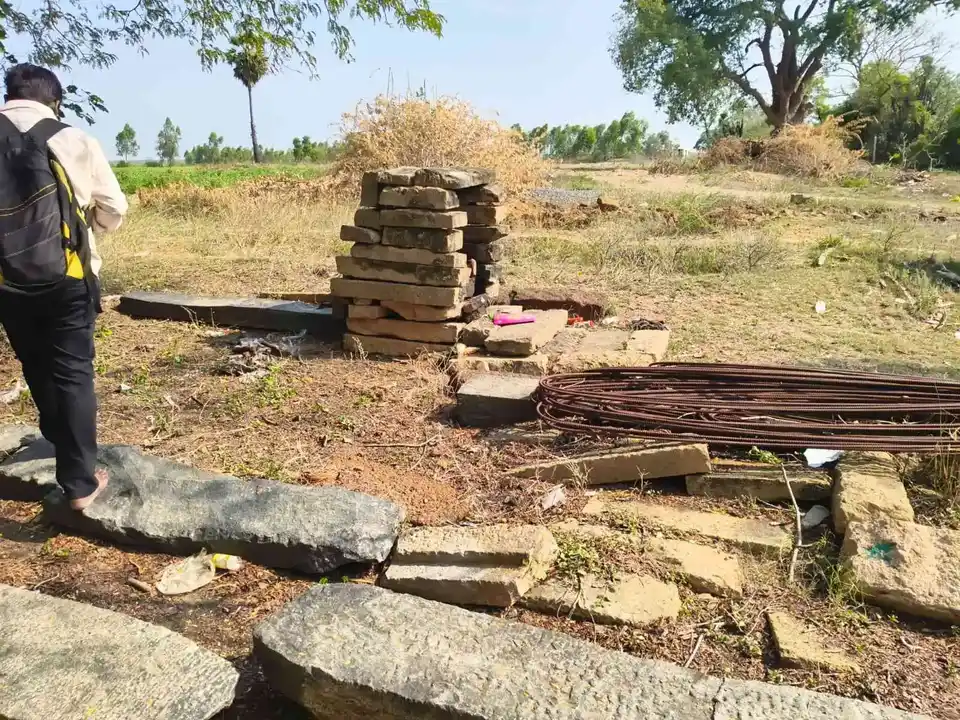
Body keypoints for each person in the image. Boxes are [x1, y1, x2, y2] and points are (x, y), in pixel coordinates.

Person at [0, 64, 128, 510]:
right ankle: (78, 483)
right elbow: (113, 207)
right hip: (67, 276)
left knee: (34, 362)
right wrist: (88, 225)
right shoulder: (71, 138)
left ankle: (57, 437)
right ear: (53, 100)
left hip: (6, 282)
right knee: (73, 371)